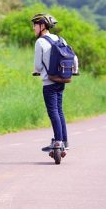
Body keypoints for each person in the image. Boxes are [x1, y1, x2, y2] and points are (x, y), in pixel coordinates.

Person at [31, 13, 78, 152]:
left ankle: (57, 142)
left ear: (42, 26)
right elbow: (73, 58)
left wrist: (37, 71)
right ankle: (64, 140)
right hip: (61, 79)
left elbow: (38, 66)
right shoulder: (60, 39)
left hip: (49, 82)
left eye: (35, 25)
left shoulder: (40, 42)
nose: (33, 28)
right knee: (59, 110)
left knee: (53, 111)